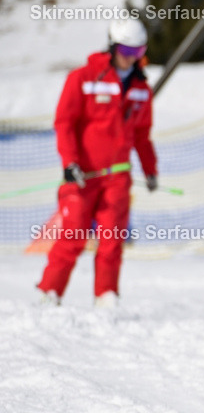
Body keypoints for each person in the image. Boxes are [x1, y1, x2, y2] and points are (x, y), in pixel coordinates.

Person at [36, 18, 158, 306]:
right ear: (114, 47)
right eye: (127, 51)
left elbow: (142, 136)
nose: (132, 59)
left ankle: (106, 295)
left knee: (112, 240)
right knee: (73, 235)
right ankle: (50, 292)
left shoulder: (141, 89)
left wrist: (150, 170)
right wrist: (70, 162)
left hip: (117, 178)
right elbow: (64, 123)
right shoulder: (84, 78)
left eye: (138, 52)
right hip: (84, 175)